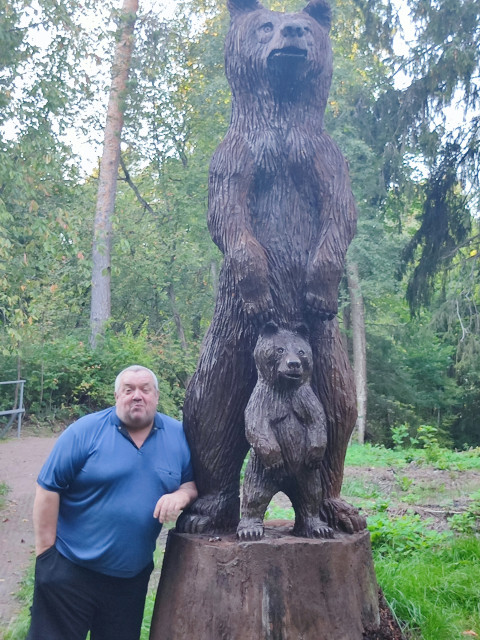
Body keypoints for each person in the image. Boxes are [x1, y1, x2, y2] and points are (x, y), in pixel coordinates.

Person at [26, 364, 198, 640]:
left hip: (130, 581)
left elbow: (190, 483)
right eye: (128, 390)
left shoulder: (177, 436)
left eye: (145, 389)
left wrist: (181, 495)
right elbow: (47, 488)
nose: (137, 396)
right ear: (117, 396)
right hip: (70, 572)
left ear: (156, 395)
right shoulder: (85, 431)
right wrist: (46, 556)